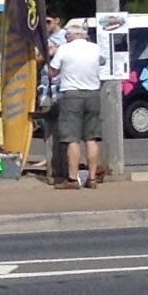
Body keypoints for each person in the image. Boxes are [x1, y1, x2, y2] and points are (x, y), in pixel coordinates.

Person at [48, 22, 107, 189]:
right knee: (92, 138)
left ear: (70, 35)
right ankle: (92, 178)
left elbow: (53, 71)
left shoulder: (64, 49)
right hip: (93, 94)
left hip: (71, 95)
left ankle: (73, 179)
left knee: (72, 138)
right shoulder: (95, 48)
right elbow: (102, 61)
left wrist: (52, 54)